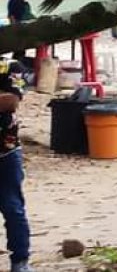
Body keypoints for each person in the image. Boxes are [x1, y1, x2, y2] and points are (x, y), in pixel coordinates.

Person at [0, 63, 32, 272]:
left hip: (5, 152)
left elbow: (11, 101)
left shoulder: (10, 67)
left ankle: (20, 261)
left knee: (13, 209)